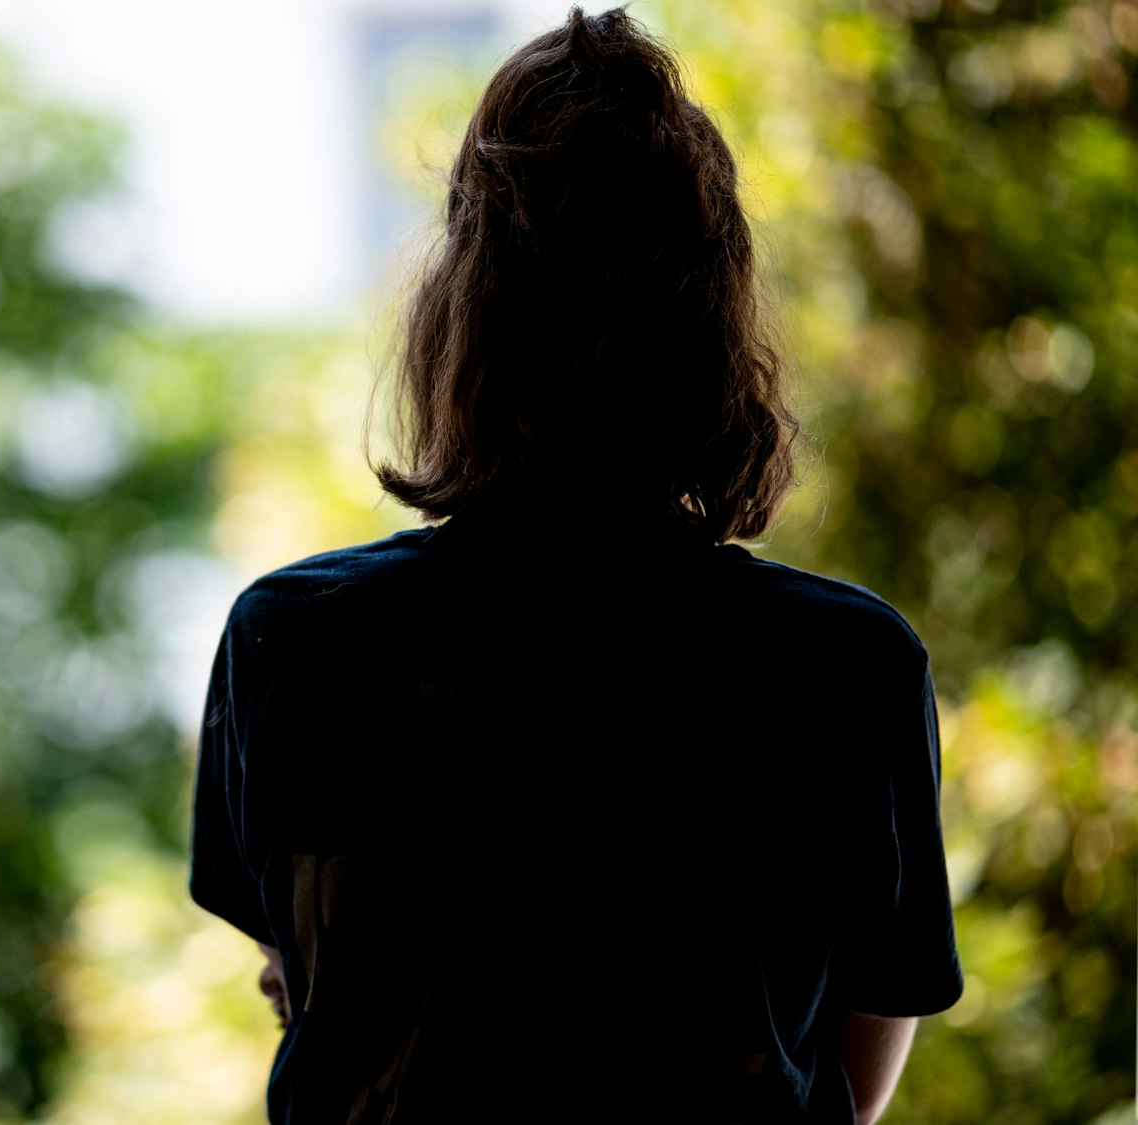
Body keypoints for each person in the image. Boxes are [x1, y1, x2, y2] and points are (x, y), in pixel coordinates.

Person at [187, 7, 963, 1123]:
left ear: (456, 316)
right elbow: (845, 1072)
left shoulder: (296, 641)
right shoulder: (848, 665)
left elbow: (318, 989)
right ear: (716, 319)